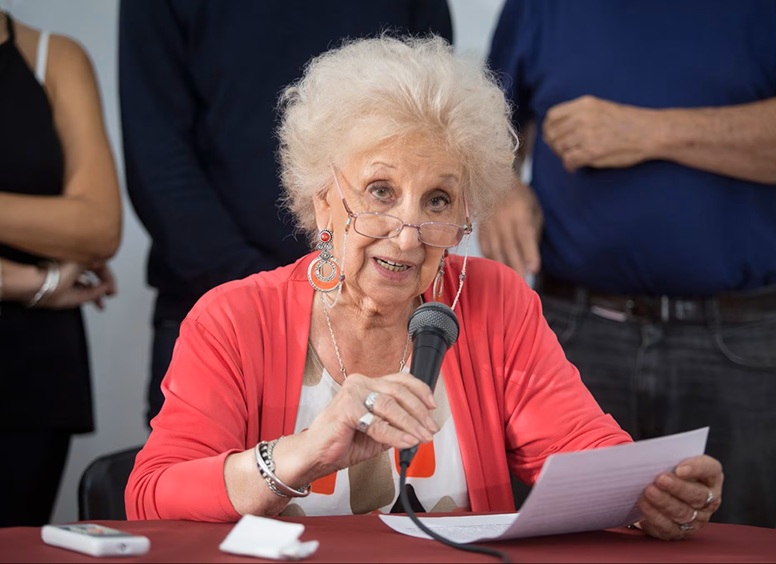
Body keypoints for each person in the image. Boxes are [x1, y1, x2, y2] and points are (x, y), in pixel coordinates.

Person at [126, 35, 723, 541]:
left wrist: (653, 489)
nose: (409, 236)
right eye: (380, 191)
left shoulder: (495, 301)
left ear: (466, 212)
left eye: (437, 200)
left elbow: (581, 448)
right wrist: (309, 450)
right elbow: (151, 498)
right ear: (323, 198)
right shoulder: (234, 317)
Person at [482, 0, 776, 528]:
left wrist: (646, 131)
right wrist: (502, 189)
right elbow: (489, 131)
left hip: (739, 344)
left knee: (729, 544)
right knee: (554, 542)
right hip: (569, 333)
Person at [117, 0, 453, 426]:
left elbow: (431, 136)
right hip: (216, 305)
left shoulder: (494, 305)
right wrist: (277, 302)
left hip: (383, 310)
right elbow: (157, 161)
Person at [0, 10, 121, 526]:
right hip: (41, 303)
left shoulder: (53, 56)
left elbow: (99, 226)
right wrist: (30, 280)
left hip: (27, 372)